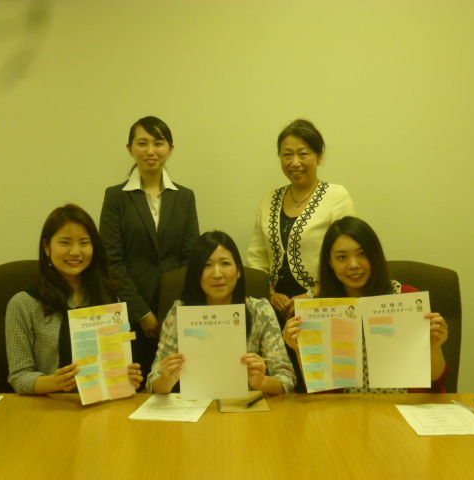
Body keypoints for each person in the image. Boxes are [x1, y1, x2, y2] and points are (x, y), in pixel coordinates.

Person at [282, 216, 449, 393]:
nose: (354, 265)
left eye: (362, 254)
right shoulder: (319, 311)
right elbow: (321, 391)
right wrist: (300, 349)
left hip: (403, 405)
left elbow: (436, 381)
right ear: (330, 262)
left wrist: (434, 346)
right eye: (342, 257)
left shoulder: (408, 298)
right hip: (345, 407)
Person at [100, 116, 200, 381]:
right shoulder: (116, 197)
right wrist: (142, 313)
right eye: (142, 143)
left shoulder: (185, 197)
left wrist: (173, 310)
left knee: (176, 382)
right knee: (136, 383)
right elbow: (111, 260)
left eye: (158, 143)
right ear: (130, 148)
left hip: (176, 311)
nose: (151, 150)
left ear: (170, 149)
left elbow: (190, 257)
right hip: (130, 312)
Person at [5, 204, 143, 394]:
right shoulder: (24, 303)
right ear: (46, 247)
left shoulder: (110, 298)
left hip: (103, 403)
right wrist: (55, 382)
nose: (75, 252)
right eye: (65, 243)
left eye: (84, 243)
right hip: (50, 404)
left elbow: (115, 361)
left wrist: (127, 375)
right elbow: (19, 377)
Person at [146, 231, 296, 395]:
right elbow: (153, 381)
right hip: (194, 405)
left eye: (225, 263)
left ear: (238, 271)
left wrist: (261, 381)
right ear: (196, 274)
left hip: (247, 405)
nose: (217, 274)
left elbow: (286, 379)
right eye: (207, 265)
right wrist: (167, 380)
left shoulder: (259, 310)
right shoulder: (179, 313)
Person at [248, 119, 355, 323]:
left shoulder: (336, 196)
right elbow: (257, 258)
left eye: (303, 154)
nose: (294, 162)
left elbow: (346, 257)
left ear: (319, 157)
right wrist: (270, 293)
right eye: (287, 154)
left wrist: (311, 295)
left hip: (323, 307)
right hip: (273, 310)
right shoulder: (268, 200)